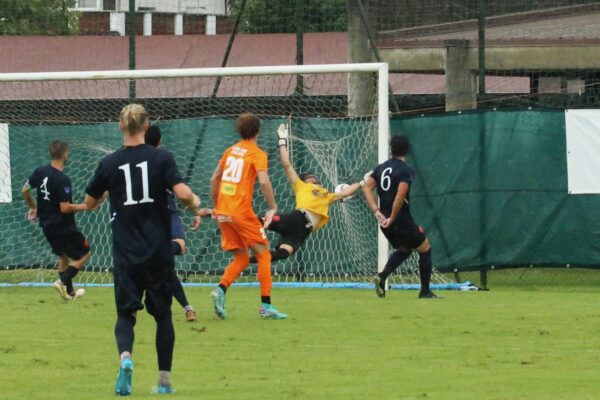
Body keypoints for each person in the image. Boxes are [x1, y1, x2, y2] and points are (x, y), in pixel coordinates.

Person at [85, 104, 202, 395]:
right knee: (163, 316)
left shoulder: (110, 163)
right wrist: (194, 203)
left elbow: (89, 202)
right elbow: (184, 194)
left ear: (120, 126)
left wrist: (108, 193)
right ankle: (164, 381)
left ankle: (125, 358)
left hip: (126, 254)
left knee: (126, 315)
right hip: (158, 253)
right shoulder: (162, 157)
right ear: (146, 127)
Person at [248, 123, 367, 264]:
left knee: (284, 253)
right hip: (295, 219)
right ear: (305, 180)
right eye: (311, 177)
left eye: (316, 178)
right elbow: (286, 163)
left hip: (302, 232)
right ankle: (232, 223)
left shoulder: (327, 195)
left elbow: (345, 192)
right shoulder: (301, 186)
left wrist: (363, 182)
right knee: (258, 221)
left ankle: (246, 260)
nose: (315, 178)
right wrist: (282, 140)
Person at [210, 112, 287, 320]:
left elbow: (214, 178)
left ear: (239, 130)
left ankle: (220, 290)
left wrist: (217, 207)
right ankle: (266, 306)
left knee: (242, 258)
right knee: (264, 254)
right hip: (240, 212)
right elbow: (263, 182)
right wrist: (272, 207)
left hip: (224, 211)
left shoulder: (230, 151)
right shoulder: (257, 153)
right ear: (258, 131)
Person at [362, 135, 438, 299]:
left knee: (405, 248)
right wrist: (393, 217)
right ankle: (425, 291)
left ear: (391, 148)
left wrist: (376, 211)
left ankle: (382, 277)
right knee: (425, 248)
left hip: (384, 221)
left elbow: (366, 188)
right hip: (399, 219)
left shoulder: (381, 168)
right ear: (407, 150)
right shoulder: (405, 170)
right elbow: (400, 196)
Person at [21, 140, 90, 301]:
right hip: (64, 226)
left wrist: (33, 207)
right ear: (65, 154)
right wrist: (86, 206)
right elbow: (64, 208)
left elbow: (25, 190)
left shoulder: (40, 171)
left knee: (63, 257)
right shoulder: (63, 179)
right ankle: (62, 281)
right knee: (85, 254)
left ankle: (69, 293)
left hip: (47, 225)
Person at [145, 124, 198, 322]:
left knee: (167, 264)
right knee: (176, 252)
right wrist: (195, 207)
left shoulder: (139, 159)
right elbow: (182, 191)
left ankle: (187, 307)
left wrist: (193, 200)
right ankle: (187, 307)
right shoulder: (164, 157)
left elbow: (179, 188)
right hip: (165, 213)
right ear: (159, 142)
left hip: (151, 217)